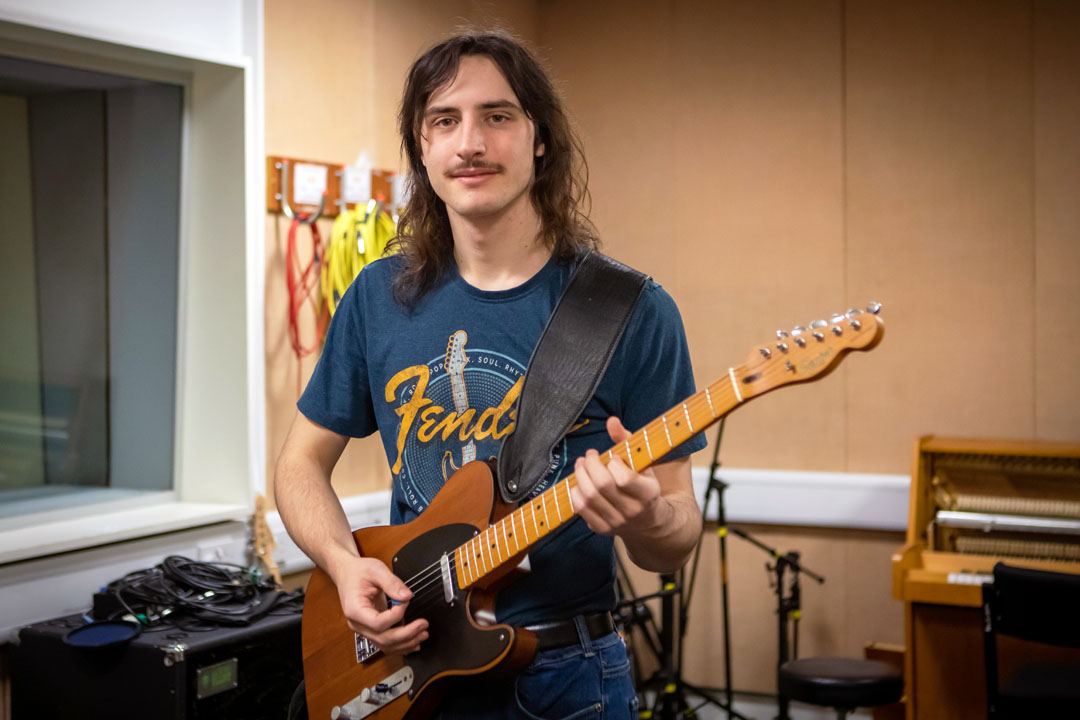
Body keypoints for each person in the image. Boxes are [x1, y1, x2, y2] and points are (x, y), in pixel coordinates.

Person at [275, 30, 707, 719]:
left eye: (497, 117)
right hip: (412, 665)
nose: (469, 142)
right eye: (444, 121)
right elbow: (299, 463)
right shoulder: (378, 297)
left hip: (564, 676)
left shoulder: (629, 310)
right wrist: (343, 564)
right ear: (423, 149)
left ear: (540, 140)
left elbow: (677, 537)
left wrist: (648, 516)